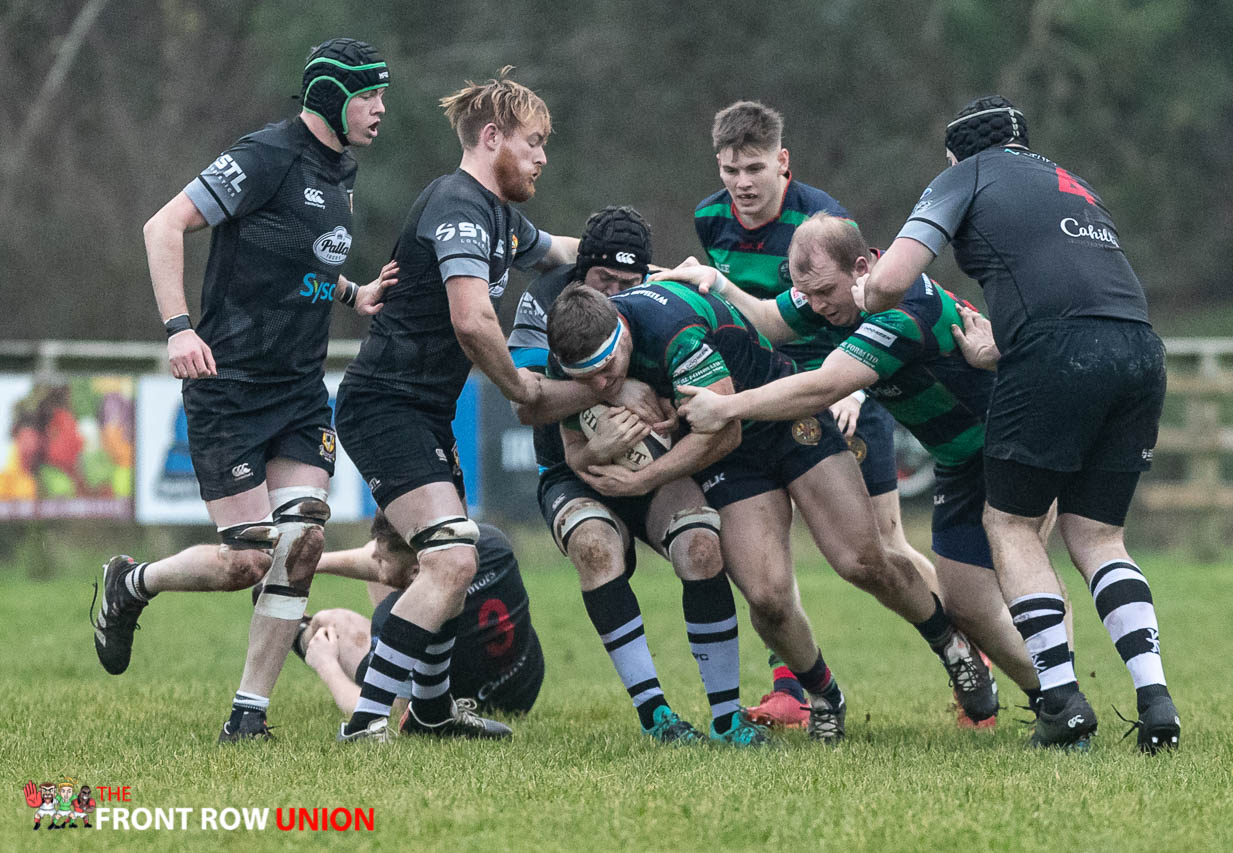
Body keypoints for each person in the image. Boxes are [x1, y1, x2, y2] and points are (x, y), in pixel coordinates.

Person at [92, 39, 396, 742]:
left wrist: (355, 292)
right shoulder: (266, 155)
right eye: (370, 95)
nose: (381, 109)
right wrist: (177, 328)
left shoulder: (339, 169)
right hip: (227, 383)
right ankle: (130, 585)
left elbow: (296, 259)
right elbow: (162, 224)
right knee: (248, 559)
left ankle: (247, 716)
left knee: (305, 538)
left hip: (297, 387)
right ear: (332, 97)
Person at [860, 95, 1179, 752]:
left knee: (1009, 524)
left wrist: (865, 295)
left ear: (955, 154)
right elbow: (1078, 291)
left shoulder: (963, 176)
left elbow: (892, 279)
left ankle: (1060, 699)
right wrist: (997, 345)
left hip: (1056, 355)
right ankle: (1155, 698)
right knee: (1098, 537)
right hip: (1141, 351)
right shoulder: (1073, 184)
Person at [546, 281, 998, 743]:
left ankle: (950, 643)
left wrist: (645, 479)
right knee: (766, 597)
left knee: (862, 560)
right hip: (730, 463)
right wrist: (598, 441)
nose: (599, 385)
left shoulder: (671, 330)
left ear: (622, 334)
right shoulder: (569, 350)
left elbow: (726, 430)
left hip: (780, 421)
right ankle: (823, 694)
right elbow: (573, 450)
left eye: (607, 369)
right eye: (585, 378)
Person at [673, 213, 1072, 727]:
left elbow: (823, 386)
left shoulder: (900, 310)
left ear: (862, 267)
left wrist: (728, 407)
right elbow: (773, 319)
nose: (816, 307)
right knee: (966, 605)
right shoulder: (839, 290)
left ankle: (1064, 703)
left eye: (822, 293)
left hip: (1011, 445)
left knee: (1024, 584)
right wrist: (719, 283)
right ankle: (1052, 700)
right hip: (960, 460)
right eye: (807, 294)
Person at [333, 68, 580, 743]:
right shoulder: (458, 205)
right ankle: (367, 721)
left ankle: (435, 712)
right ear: (491, 137)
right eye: (533, 141)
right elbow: (473, 321)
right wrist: (520, 388)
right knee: (452, 559)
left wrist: (640, 260)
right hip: (384, 404)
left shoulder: (498, 214)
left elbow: (560, 252)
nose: (542, 156)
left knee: (443, 559)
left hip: (422, 411)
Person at [695, 100, 940, 728]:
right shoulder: (709, 219)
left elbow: (863, 307)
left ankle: (969, 653)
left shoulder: (823, 219)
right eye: (729, 170)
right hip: (771, 399)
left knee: (882, 550)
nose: (741, 183)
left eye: (754, 168)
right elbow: (757, 317)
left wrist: (853, 389)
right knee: (768, 557)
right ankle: (790, 688)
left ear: (782, 162)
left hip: (846, 386)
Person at [506, 207, 764, 746]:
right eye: (605, 280)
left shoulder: (663, 318)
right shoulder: (551, 307)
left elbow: (724, 429)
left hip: (657, 464)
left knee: (701, 544)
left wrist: (645, 475)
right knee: (596, 547)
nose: (617, 289)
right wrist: (607, 391)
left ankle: (728, 719)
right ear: (582, 272)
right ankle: (655, 714)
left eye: (629, 281)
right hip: (574, 471)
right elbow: (529, 404)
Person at [298, 513, 543, 719]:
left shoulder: (398, 619)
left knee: (328, 622)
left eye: (381, 560)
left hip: (467, 704)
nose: (374, 559)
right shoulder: (493, 543)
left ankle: (299, 634)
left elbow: (393, 712)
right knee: (393, 564)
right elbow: (387, 558)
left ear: (416, 572)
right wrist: (313, 563)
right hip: (524, 687)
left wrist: (327, 666)